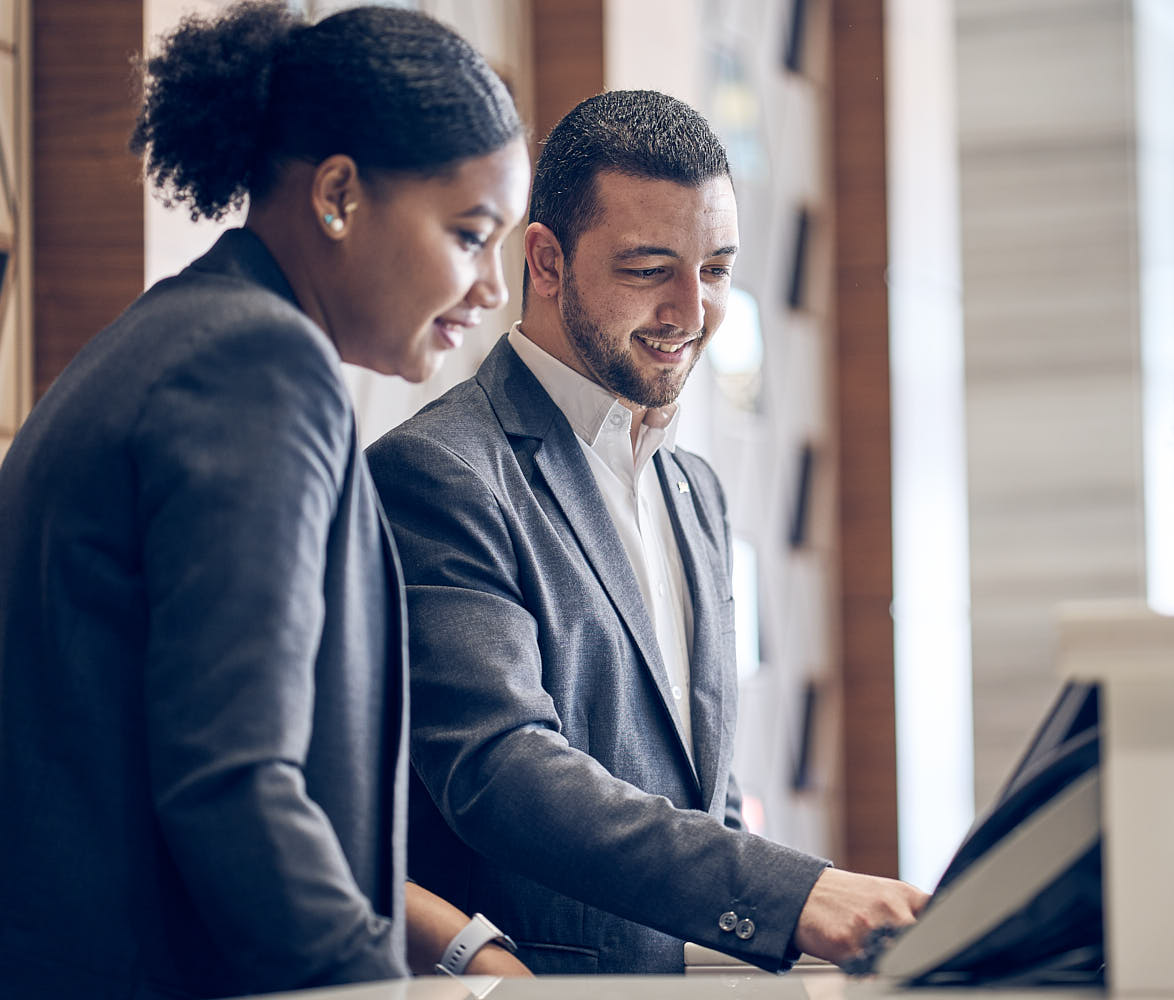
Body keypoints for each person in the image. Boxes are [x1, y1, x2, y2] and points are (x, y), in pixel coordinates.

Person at [0, 4, 533, 997]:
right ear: (338, 193)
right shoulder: (259, 365)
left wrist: (451, 945)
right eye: (470, 235)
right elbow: (231, 780)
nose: (492, 288)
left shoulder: (177, 336)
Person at [367, 90, 929, 976]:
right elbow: (501, 770)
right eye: (648, 268)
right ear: (545, 262)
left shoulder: (695, 490)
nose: (691, 310)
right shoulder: (438, 472)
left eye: (714, 269)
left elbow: (699, 788)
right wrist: (794, 892)